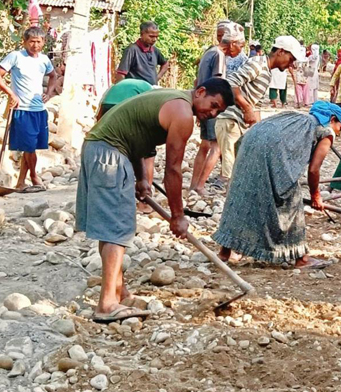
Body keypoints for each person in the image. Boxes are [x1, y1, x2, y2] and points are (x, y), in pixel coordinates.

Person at [77, 78, 234, 322]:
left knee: (111, 228)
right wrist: (178, 216)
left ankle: (119, 293)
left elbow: (136, 136)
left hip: (100, 148)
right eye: (213, 105)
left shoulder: (173, 100)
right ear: (200, 92)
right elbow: (173, 169)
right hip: (109, 153)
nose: (212, 114)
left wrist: (141, 178)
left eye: (218, 111)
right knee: (117, 229)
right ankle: (107, 304)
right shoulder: (182, 113)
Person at [212, 102, 341, 268]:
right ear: (332, 120)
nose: (339, 133)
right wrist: (315, 196)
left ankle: (224, 252)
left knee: (243, 193)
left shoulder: (294, 116)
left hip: (249, 142)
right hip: (272, 151)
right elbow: (314, 170)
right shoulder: (326, 131)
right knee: (290, 200)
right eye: (340, 127)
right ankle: (301, 259)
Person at [216, 36, 305, 185]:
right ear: (281, 52)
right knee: (230, 174)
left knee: (240, 170)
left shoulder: (267, 72)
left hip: (239, 124)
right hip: (230, 120)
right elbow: (231, 83)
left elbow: (255, 104)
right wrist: (246, 108)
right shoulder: (258, 64)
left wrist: (258, 131)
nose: (291, 64)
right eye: (291, 59)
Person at [0, 27, 58, 193]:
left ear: (43, 42)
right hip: (22, 109)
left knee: (32, 147)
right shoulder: (16, 56)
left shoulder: (44, 60)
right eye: (32, 41)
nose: (35, 45)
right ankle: (34, 177)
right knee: (29, 147)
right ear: (25, 42)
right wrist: (11, 94)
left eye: (38, 41)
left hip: (39, 110)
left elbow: (53, 76)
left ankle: (21, 182)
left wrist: (49, 93)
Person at [190, 20, 233, 195]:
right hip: (210, 104)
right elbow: (218, 84)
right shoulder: (219, 55)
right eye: (239, 45)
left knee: (205, 145)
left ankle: (194, 184)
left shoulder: (209, 51)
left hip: (202, 103)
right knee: (215, 145)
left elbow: (197, 81)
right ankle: (199, 186)